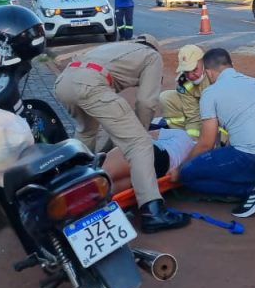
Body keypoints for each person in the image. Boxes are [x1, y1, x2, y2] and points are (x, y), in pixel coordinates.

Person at [53, 34, 188, 233]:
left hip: (64, 83)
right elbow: (146, 102)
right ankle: (153, 213)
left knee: (86, 134)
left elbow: (111, 121)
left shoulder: (116, 49)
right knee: (139, 144)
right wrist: (140, 133)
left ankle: (73, 196)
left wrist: (111, 146)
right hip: (90, 83)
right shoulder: (151, 55)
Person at [172, 48, 255, 218]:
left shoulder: (210, 93)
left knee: (188, 175)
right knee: (234, 155)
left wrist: (180, 168)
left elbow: (206, 143)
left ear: (208, 72)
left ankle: (253, 189)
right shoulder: (253, 82)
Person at [103, 128, 195, 193]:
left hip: (156, 151)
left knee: (101, 172)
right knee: (105, 189)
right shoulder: (199, 156)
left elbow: (146, 136)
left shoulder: (182, 134)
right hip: (160, 171)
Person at [159, 44, 212, 137]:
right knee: (166, 98)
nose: (191, 76)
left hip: (218, 116)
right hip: (198, 113)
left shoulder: (214, 74)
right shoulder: (184, 82)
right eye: (186, 72)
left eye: (194, 69)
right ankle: (180, 134)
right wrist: (191, 139)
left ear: (203, 62)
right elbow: (192, 115)